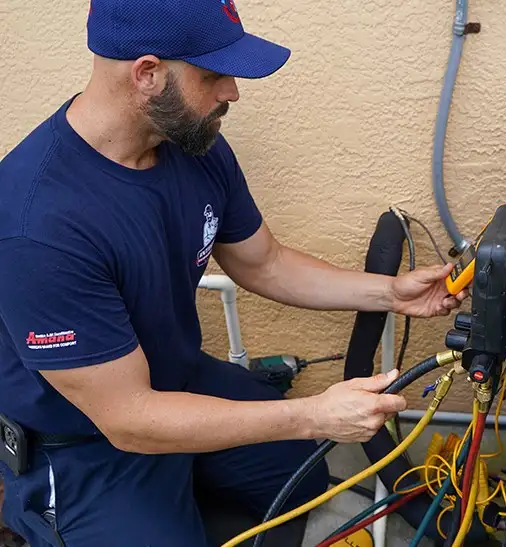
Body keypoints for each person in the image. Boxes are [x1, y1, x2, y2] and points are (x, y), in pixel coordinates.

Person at [0, 0, 468, 545]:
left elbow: (262, 262)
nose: (233, 93)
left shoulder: (193, 146)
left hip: (176, 382)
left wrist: (391, 292)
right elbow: (128, 418)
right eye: (214, 75)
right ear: (148, 74)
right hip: (89, 444)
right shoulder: (39, 224)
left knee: (300, 473)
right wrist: (312, 414)